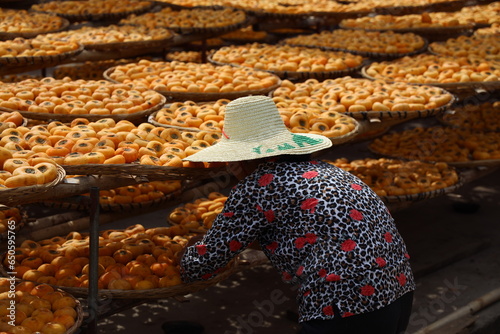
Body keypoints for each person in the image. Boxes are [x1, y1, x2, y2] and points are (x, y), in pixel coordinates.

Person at [179, 95, 415, 333]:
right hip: (397, 288)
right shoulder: (327, 171)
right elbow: (310, 232)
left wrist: (185, 252)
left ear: (246, 157)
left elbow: (200, 265)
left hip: (345, 303)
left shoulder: (259, 185)